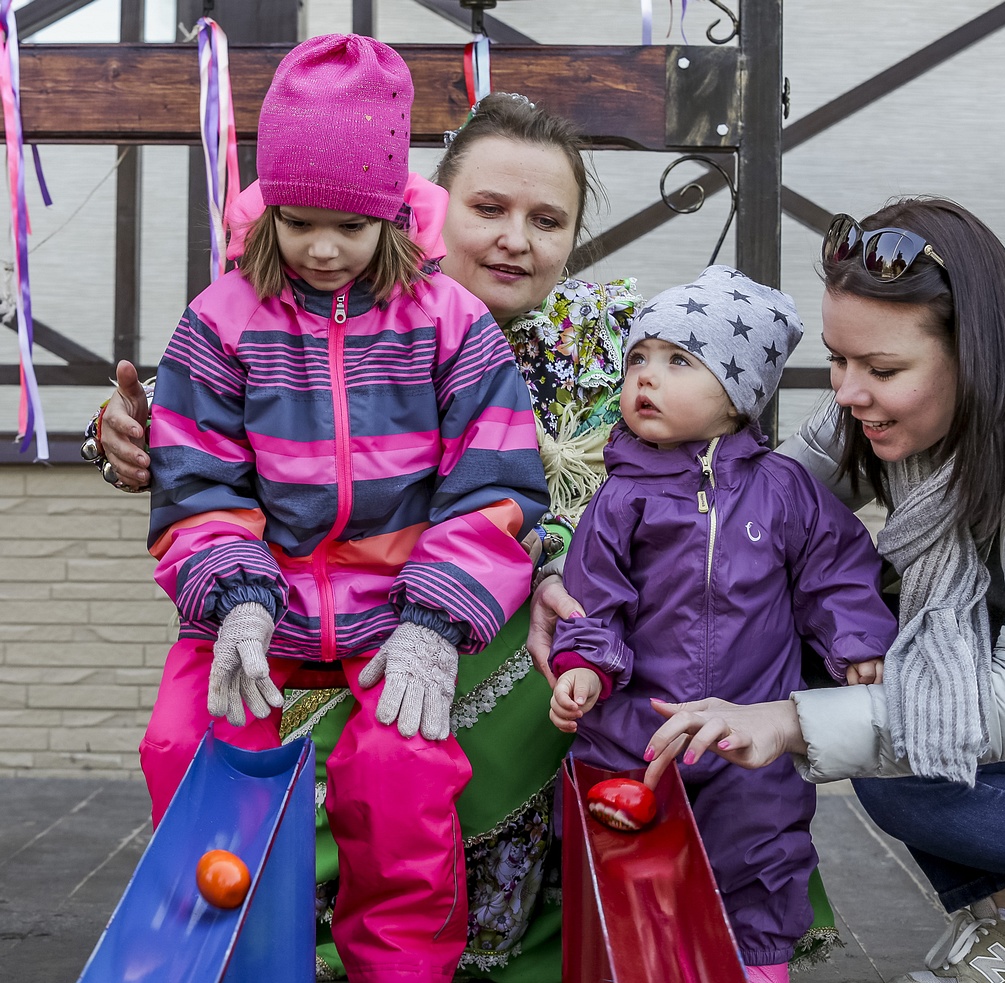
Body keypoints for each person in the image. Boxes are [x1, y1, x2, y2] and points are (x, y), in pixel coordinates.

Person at [87, 95, 846, 981]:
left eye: (547, 219)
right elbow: (220, 455)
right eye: (489, 208)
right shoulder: (313, 315)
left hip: (566, 623)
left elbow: (697, 485)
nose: (516, 238)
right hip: (349, 623)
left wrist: (562, 563)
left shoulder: (622, 349)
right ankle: (306, 924)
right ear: (426, 208)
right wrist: (129, 444)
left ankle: (616, 919)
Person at [617, 199, 1005, 983]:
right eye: (837, 359)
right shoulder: (885, 405)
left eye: (882, 370)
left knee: (897, 748)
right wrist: (577, 578)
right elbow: (755, 504)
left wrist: (788, 718)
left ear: (974, 352)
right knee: (852, 672)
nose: (848, 393)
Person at [142, 37, 549, 983]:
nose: (323, 249)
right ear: (270, 207)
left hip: (394, 607)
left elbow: (494, 484)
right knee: (187, 739)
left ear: (394, 215)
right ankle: (229, 952)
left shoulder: (449, 322)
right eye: (299, 222)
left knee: (403, 773)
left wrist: (437, 619)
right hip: (261, 599)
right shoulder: (222, 320)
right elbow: (196, 479)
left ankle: (401, 965)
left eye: (351, 227)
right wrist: (233, 593)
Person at [546, 266, 897, 983]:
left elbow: (835, 567)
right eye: (638, 357)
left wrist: (857, 639)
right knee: (625, 849)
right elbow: (594, 596)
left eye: (679, 361)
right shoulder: (622, 497)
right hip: (635, 728)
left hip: (748, 726)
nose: (646, 376)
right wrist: (583, 662)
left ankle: (757, 963)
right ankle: (634, 958)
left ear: (741, 395)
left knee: (763, 847)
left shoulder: (783, 489)